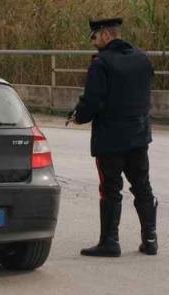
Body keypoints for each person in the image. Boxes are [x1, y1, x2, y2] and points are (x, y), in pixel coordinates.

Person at [67, 17, 158, 257]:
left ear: (105, 35)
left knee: (110, 188)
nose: (94, 43)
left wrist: (77, 117)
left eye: (94, 38)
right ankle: (150, 240)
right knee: (142, 186)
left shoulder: (101, 62)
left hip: (110, 140)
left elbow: (92, 101)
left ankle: (110, 242)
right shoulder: (142, 56)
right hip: (139, 136)